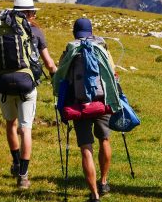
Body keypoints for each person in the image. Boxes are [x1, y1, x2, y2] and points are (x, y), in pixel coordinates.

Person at [0, 0, 57, 189]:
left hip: (3, 83)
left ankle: (16, 162)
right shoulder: (35, 31)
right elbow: (49, 64)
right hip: (27, 85)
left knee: (11, 123)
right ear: (27, 13)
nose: (35, 15)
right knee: (26, 128)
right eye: (33, 12)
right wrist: (56, 79)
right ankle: (23, 176)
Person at [62, 18, 114, 202]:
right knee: (105, 139)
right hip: (102, 102)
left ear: (74, 33)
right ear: (91, 32)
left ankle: (94, 195)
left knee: (86, 147)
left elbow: (63, 78)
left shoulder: (71, 49)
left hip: (80, 104)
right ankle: (104, 181)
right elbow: (112, 73)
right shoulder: (102, 47)